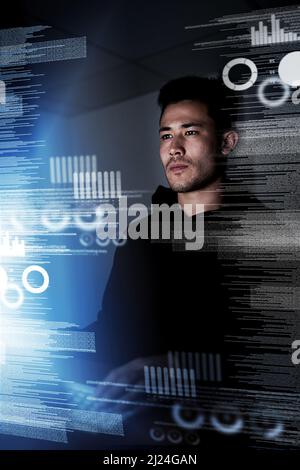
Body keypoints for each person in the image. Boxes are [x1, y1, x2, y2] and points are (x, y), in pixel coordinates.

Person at [78, 76, 269, 449]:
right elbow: (110, 327)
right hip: (137, 436)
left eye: (190, 132)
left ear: (226, 143)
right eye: (166, 135)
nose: (174, 148)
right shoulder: (140, 235)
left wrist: (177, 368)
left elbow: (273, 355)